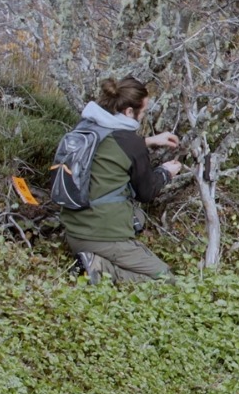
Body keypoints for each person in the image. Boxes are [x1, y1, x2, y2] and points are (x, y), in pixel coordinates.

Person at [60, 77, 183, 282]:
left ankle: (91, 259)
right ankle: (97, 266)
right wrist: (165, 172)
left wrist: (148, 141)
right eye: (142, 112)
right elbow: (146, 192)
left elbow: (110, 151)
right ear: (128, 111)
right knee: (166, 279)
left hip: (73, 232)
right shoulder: (131, 143)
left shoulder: (86, 126)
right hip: (102, 238)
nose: (142, 117)